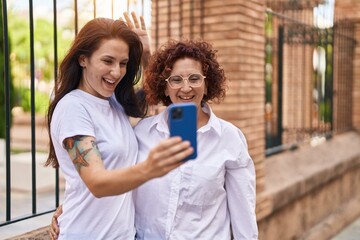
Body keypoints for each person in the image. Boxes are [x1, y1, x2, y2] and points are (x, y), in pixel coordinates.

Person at [44, 16, 193, 239]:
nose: (116, 72)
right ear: (83, 59)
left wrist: (145, 55)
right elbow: (97, 182)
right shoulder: (73, 108)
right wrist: (150, 168)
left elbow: (161, 95)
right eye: (108, 61)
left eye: (123, 63)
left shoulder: (112, 102)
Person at [133, 39, 258, 239]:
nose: (185, 88)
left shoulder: (229, 138)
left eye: (194, 78)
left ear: (207, 85)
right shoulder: (142, 133)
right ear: (165, 88)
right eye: (175, 80)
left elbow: (244, 214)